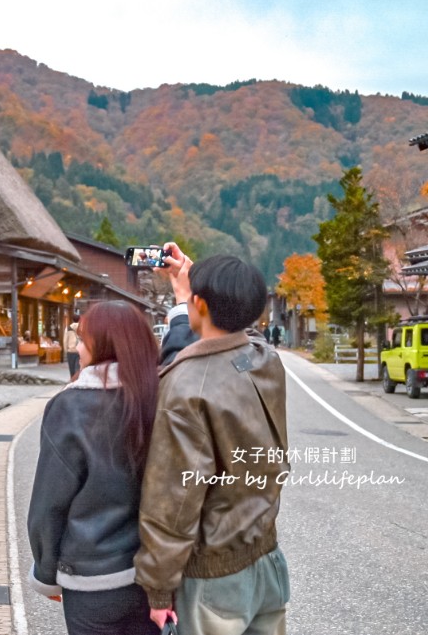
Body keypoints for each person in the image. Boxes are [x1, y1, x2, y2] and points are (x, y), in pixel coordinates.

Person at [135, 243, 290, 635]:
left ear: (200, 304)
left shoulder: (185, 386)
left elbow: (173, 499)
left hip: (215, 579)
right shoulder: (264, 358)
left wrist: (158, 588)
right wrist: (190, 293)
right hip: (266, 559)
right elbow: (235, 336)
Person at [27, 301, 162, 635]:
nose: (76, 348)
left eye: (82, 340)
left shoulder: (69, 406)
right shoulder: (159, 397)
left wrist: (46, 572)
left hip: (91, 578)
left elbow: (49, 503)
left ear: (102, 345)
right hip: (153, 574)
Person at [65, 310, 82, 378]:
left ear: (72, 319)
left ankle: (72, 379)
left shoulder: (68, 328)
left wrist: (66, 350)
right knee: (78, 368)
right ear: (79, 320)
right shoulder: (82, 327)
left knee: (71, 369)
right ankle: (77, 379)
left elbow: (65, 340)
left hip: (71, 351)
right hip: (79, 350)